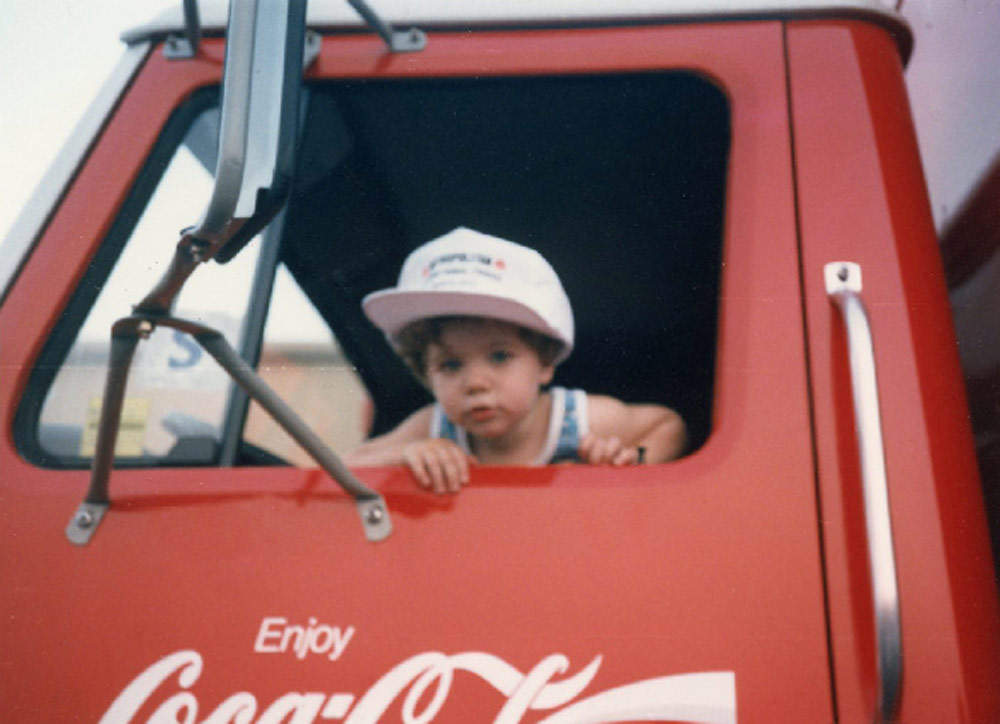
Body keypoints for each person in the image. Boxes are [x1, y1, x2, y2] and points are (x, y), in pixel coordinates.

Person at [344, 227, 686, 493]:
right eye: (451, 365)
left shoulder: (579, 422)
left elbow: (669, 427)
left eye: (499, 356)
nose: (475, 382)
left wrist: (628, 462)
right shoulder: (433, 429)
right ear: (426, 373)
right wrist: (406, 455)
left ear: (545, 362)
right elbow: (344, 464)